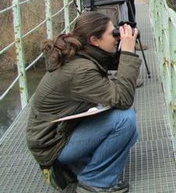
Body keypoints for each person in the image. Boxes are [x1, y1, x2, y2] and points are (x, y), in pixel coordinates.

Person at [26, 12, 141, 193]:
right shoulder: (81, 71)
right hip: (52, 144)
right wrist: (128, 52)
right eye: (113, 34)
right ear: (94, 40)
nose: (117, 37)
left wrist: (122, 50)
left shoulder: (81, 56)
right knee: (125, 120)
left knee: (129, 129)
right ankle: (94, 182)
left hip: (59, 132)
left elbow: (111, 81)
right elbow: (123, 98)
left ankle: (77, 168)